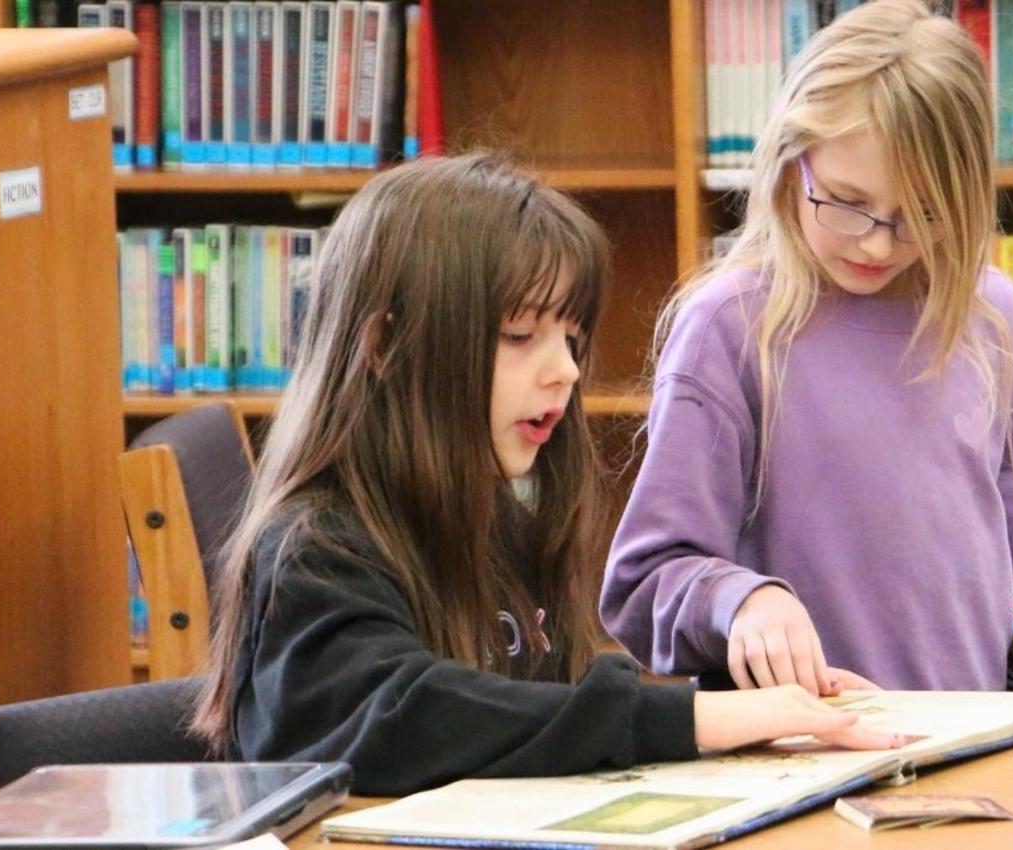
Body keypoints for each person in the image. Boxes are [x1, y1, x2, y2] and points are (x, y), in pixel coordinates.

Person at [188, 153, 902, 796]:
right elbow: (410, 716)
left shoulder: (498, 518)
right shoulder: (313, 551)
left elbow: (531, 732)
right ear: (386, 344)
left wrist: (756, 708)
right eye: (520, 336)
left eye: (573, 338)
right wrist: (698, 717)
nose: (564, 369)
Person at [603, 0, 1013, 695]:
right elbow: (643, 582)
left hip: (980, 743)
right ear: (793, 159)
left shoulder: (995, 315)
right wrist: (742, 599)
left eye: (921, 215)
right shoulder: (729, 330)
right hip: (798, 760)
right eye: (848, 203)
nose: (878, 242)